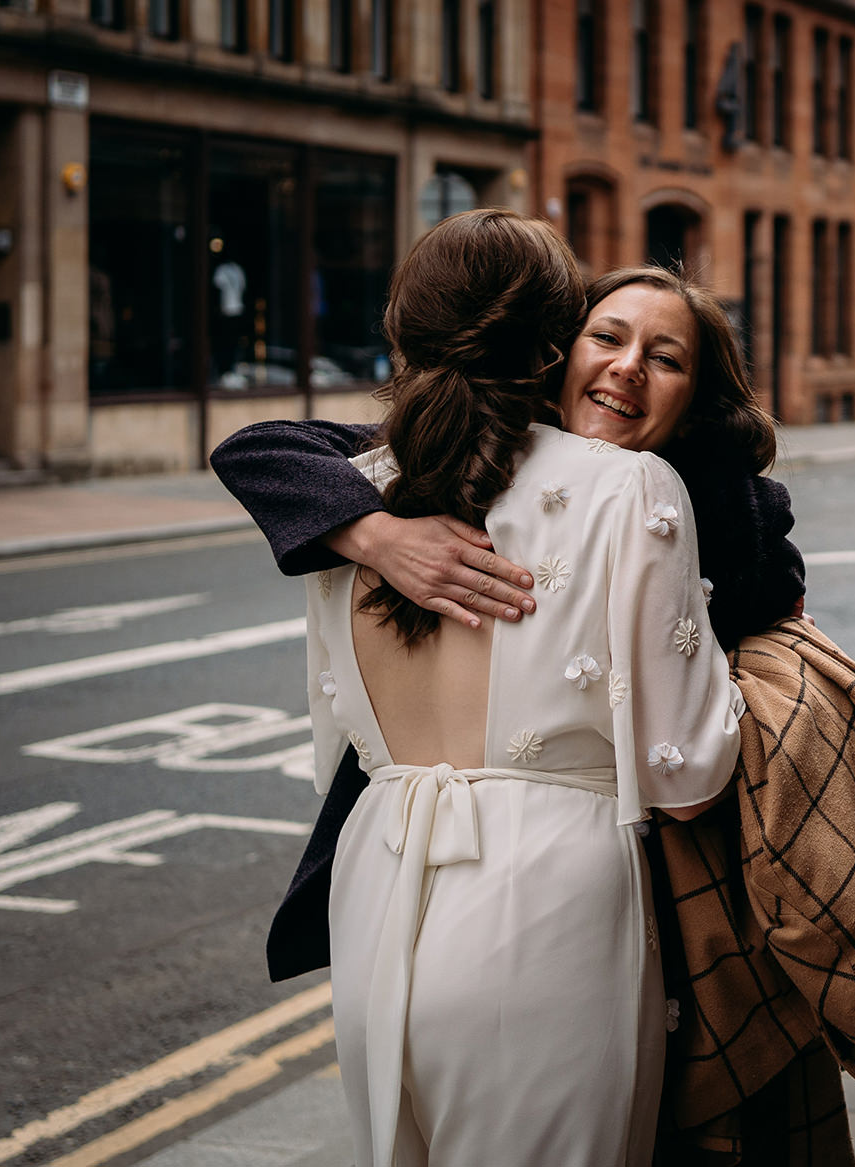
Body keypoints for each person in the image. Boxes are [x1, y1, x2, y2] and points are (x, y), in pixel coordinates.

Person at [299, 209, 744, 1167]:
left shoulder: (346, 503)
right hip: (550, 900)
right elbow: (685, 771)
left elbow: (331, 729)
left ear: (400, 333)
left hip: (377, 882)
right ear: (553, 348)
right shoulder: (630, 486)